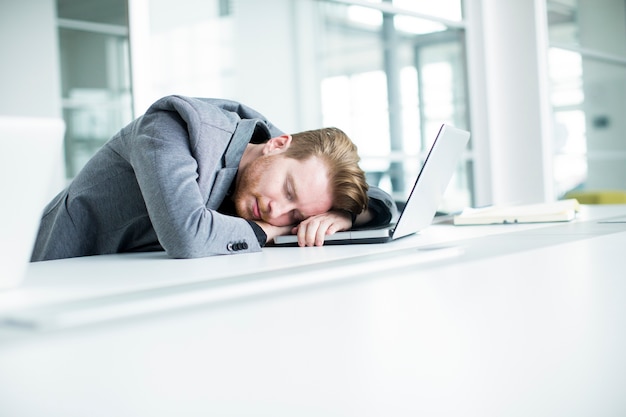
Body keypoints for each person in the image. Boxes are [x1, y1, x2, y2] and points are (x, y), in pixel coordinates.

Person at [31, 95, 397, 262]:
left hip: (134, 283)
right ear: (278, 144)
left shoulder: (283, 159)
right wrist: (279, 232)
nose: (276, 210)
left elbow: (382, 200)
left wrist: (340, 216)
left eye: (297, 217)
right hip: (54, 271)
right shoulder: (172, 127)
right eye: (288, 192)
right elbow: (186, 236)